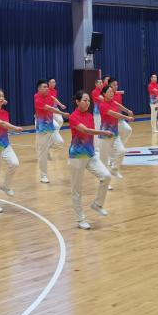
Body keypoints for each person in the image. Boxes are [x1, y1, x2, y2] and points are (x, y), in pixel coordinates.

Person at [68, 90, 114, 230]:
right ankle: (80, 219)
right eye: (84, 100)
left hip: (90, 154)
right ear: (77, 102)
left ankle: (97, 204)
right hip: (77, 157)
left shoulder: (89, 115)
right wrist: (104, 132)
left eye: (89, 100)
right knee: (77, 190)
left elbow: (89, 136)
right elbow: (86, 131)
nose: (87, 103)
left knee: (106, 176)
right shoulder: (73, 117)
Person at [0, 88, 23, 213]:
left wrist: (0, 102)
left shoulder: (5, 113)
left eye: (3, 96)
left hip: (5, 144)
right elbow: (2, 124)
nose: (2, 98)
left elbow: (4, 125)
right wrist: (15, 128)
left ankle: (5, 186)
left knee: (14, 163)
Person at [35, 80, 69, 183]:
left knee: (60, 142)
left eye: (47, 87)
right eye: (44, 87)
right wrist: (62, 113)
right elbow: (49, 108)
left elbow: (53, 99)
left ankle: (48, 147)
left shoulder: (49, 96)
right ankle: (43, 175)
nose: (47, 88)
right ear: (39, 89)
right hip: (42, 127)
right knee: (42, 153)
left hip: (50, 125)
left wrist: (61, 105)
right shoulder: (37, 98)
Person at [97, 85, 132, 185]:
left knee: (121, 151)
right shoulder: (103, 105)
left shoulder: (113, 102)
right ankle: (104, 182)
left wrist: (128, 111)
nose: (112, 93)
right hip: (105, 136)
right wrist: (127, 117)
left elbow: (119, 106)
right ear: (104, 94)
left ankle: (114, 170)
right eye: (109, 92)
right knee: (103, 160)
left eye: (112, 91)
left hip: (114, 134)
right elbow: (114, 114)